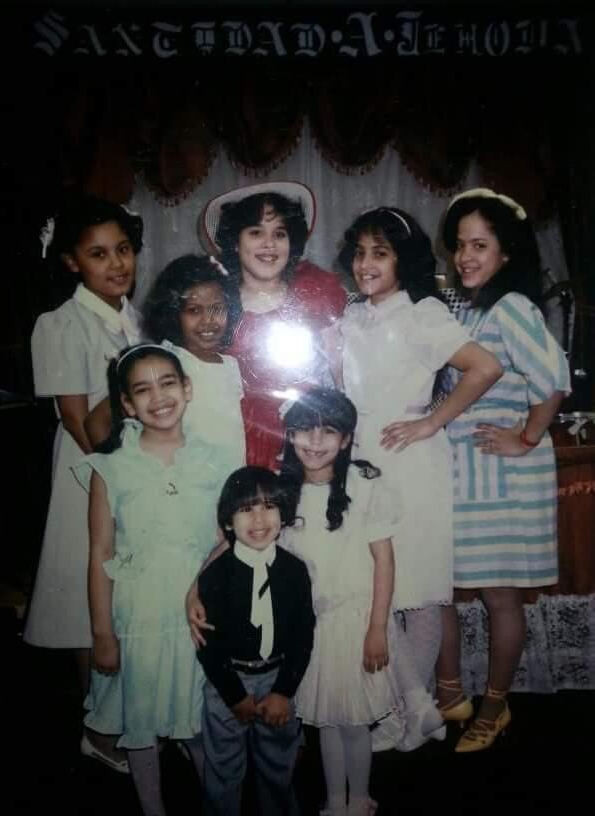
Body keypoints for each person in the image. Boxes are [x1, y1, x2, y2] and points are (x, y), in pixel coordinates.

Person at [329, 207, 502, 707]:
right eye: (360, 253)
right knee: (377, 588)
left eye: (380, 254)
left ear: (402, 260)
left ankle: (414, 713)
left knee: (417, 588)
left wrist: (430, 422)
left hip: (411, 462)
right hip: (363, 461)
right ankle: (404, 708)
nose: (366, 264)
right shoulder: (354, 315)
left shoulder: (422, 313)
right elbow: (348, 389)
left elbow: (484, 368)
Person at [435, 188, 571, 752]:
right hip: (466, 474)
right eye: (460, 245)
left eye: (479, 246)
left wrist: (528, 437)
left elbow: (553, 379)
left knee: (499, 599)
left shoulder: (512, 306)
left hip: (503, 477)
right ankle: (450, 692)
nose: (465, 256)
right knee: (441, 590)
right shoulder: (470, 307)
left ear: (506, 252)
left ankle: (494, 706)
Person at [279, 388, 446, 816]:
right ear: (290, 434)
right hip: (313, 628)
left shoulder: (364, 485)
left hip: (356, 622)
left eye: (328, 432)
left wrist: (377, 628)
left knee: (355, 724)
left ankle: (360, 798)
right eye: (304, 430)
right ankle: (336, 801)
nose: (315, 442)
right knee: (326, 722)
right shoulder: (283, 491)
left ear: (347, 439)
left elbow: (384, 562)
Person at [74, 343, 221, 815]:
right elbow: (100, 553)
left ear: (187, 388)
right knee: (141, 722)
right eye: (142, 389)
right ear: (127, 404)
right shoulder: (110, 468)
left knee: (200, 722)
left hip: (199, 616)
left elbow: (226, 540)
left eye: (168, 383)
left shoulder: (215, 460)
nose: (158, 397)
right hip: (139, 614)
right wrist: (103, 634)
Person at [24, 193, 143, 770]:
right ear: (72, 261)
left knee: (123, 595)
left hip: (134, 466)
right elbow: (76, 420)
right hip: (90, 472)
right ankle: (97, 729)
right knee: (85, 596)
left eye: (122, 249)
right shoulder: (60, 323)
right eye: (98, 254)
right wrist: (121, 484)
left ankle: (126, 715)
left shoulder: (132, 316)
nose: (116, 263)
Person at [199, 181, 347, 471]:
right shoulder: (216, 306)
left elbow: (341, 376)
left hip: (307, 440)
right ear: (235, 241)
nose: (269, 244)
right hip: (235, 441)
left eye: (279, 234)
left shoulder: (314, 295)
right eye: (256, 232)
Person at [196, 466, 315, 816]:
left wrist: (283, 691)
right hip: (227, 683)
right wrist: (234, 696)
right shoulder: (217, 574)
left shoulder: (294, 570)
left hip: (278, 680)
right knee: (224, 771)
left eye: (269, 506)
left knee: (279, 768)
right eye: (246, 509)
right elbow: (208, 644)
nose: (259, 519)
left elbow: (303, 635)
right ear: (228, 521)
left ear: (283, 513)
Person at [142, 253, 246, 480]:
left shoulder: (230, 365)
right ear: (173, 313)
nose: (208, 321)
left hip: (228, 484)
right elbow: (100, 420)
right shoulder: (165, 361)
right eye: (194, 310)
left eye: (217, 309)